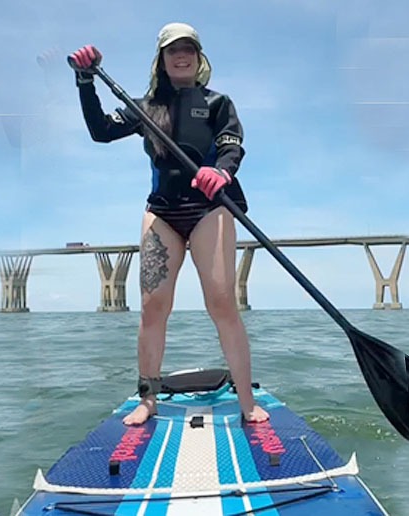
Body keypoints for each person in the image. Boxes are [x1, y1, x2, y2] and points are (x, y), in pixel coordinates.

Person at [68, 22, 269, 425]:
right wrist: (85, 82)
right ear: (161, 60)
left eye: (189, 49)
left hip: (209, 208)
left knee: (222, 303)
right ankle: (148, 399)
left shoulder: (217, 103)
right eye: (173, 50)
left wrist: (222, 173)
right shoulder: (145, 106)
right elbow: (101, 131)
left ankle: (246, 400)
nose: (181, 55)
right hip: (162, 212)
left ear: (199, 58)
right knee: (153, 307)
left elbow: (232, 144)